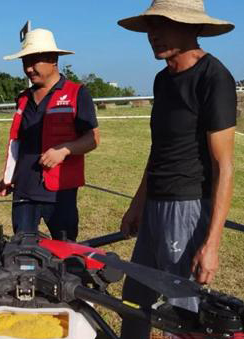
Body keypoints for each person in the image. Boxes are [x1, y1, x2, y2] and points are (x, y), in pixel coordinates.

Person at [117, 1, 236, 338]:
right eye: (150, 27)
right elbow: (159, 149)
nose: (153, 35)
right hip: (154, 205)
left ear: (193, 28)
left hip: (187, 208)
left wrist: (212, 243)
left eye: (164, 24)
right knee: (134, 300)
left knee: (182, 313)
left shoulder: (214, 78)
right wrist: (137, 204)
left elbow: (224, 165)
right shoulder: (162, 80)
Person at [0, 28, 99, 241]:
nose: (28, 69)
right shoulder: (23, 98)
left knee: (65, 253)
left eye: (34, 62)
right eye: (25, 62)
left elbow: (93, 138)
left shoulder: (77, 93)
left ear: (53, 59)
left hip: (59, 193)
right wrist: (8, 177)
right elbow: (17, 143)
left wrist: (64, 150)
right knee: (23, 254)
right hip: (23, 191)